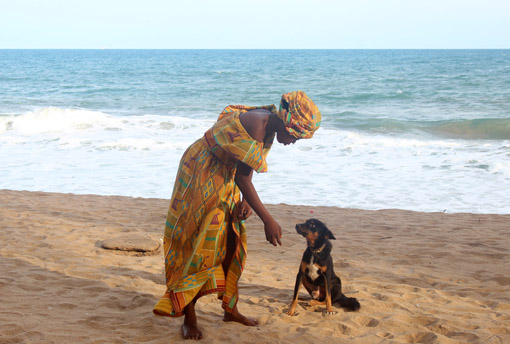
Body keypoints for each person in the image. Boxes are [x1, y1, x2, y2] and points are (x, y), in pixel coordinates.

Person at [153, 91, 321, 340]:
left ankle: (230, 309)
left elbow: (246, 166)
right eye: (295, 136)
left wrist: (244, 201)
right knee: (196, 240)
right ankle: (189, 318)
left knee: (232, 237)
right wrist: (268, 220)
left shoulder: (270, 128)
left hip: (225, 173)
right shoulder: (258, 124)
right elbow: (242, 177)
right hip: (202, 170)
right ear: (287, 123)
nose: (293, 142)